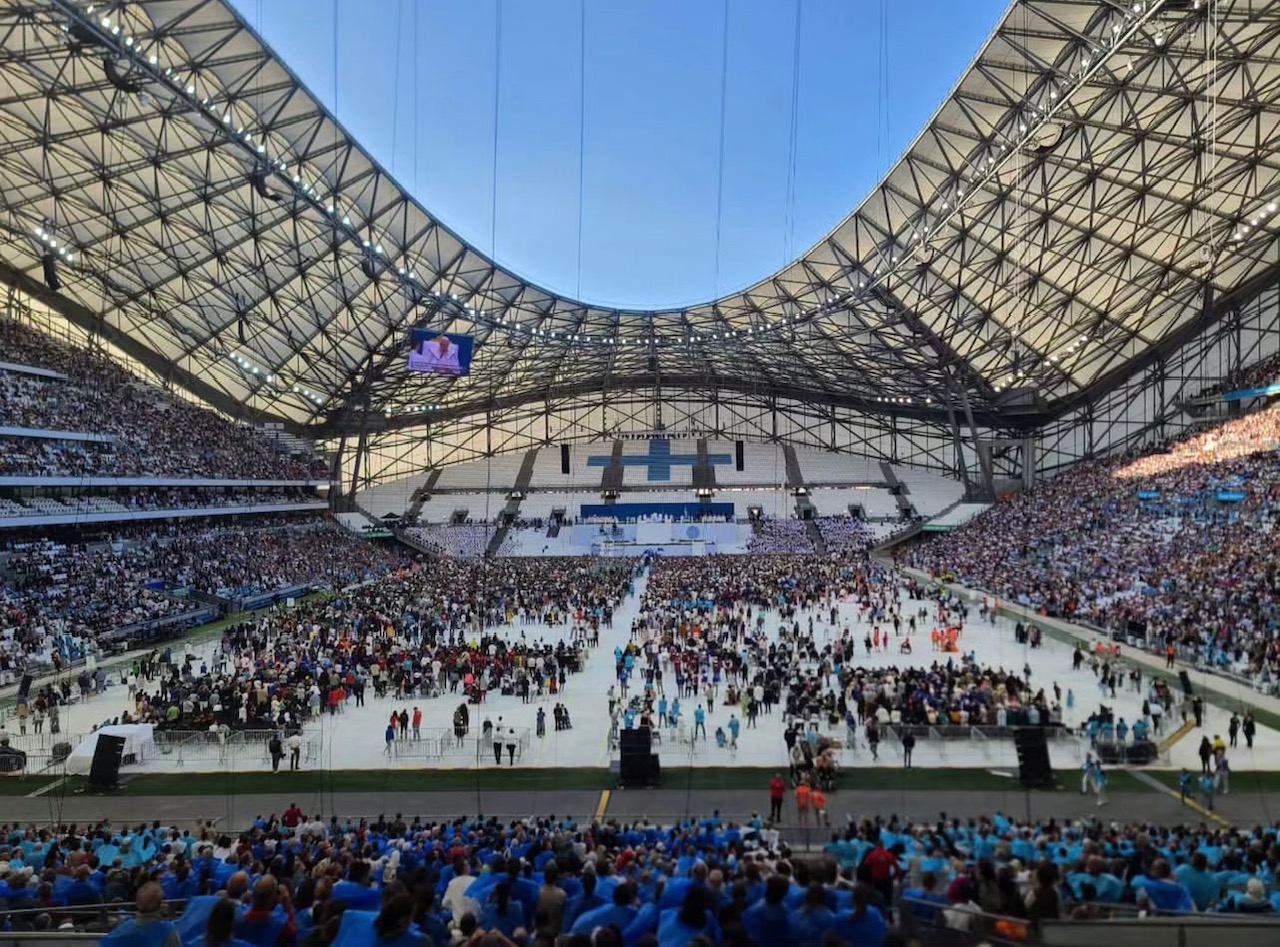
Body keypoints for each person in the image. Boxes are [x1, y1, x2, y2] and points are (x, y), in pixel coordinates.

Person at [102, 881, 182, 946]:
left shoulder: (119, 930)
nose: (166, 903)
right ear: (160, 906)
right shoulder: (168, 932)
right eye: (164, 900)